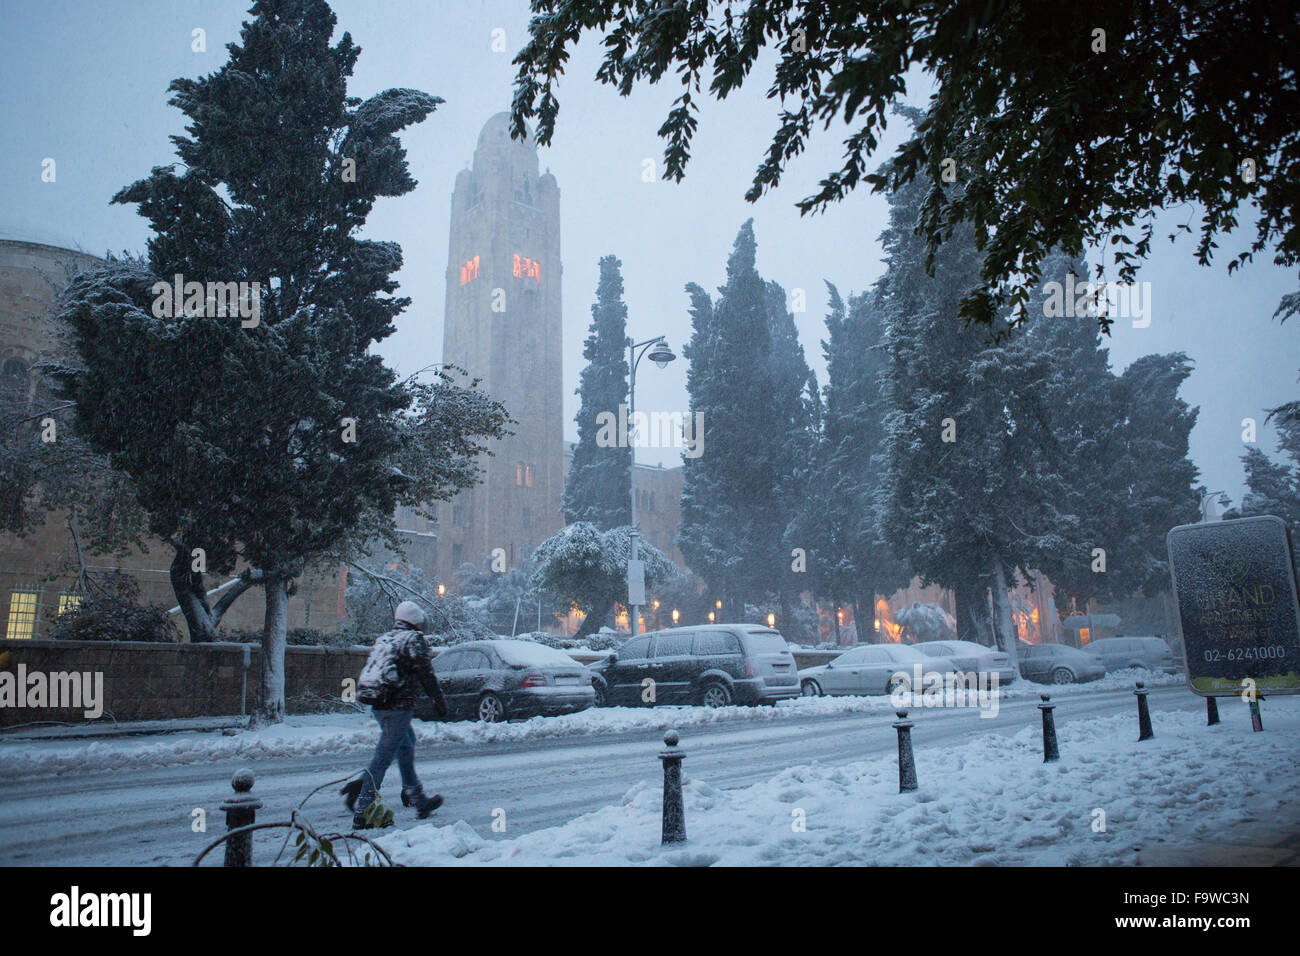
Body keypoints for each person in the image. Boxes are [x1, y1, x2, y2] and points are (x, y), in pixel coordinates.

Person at [342, 600, 447, 828]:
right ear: (416, 622)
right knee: (384, 756)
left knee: (406, 744)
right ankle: (364, 811)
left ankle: (419, 800)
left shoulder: (385, 639)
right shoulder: (412, 639)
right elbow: (426, 673)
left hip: (380, 706)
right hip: (396, 708)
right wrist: (438, 700)